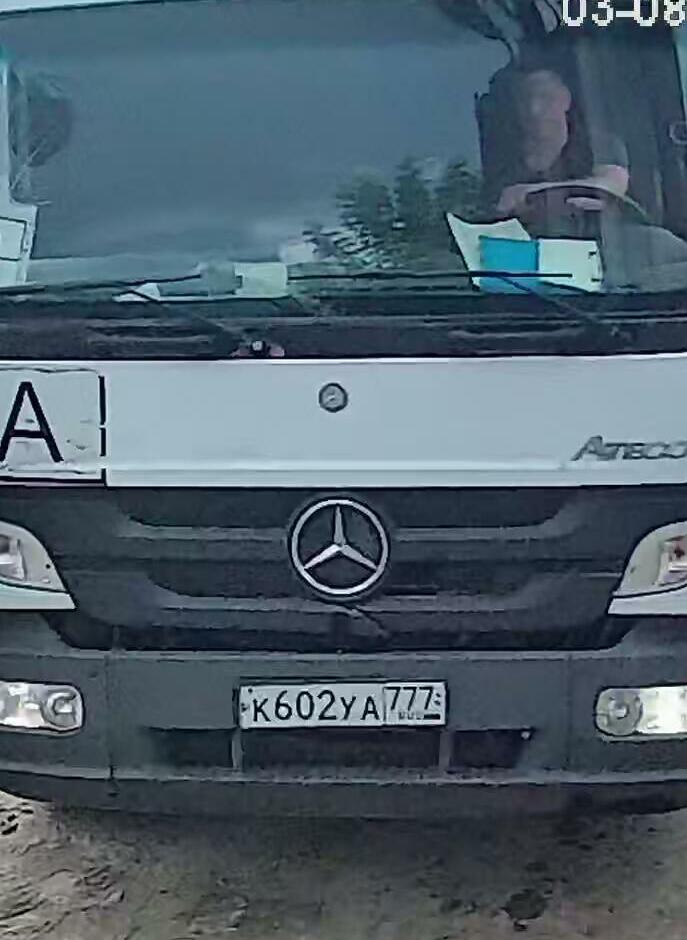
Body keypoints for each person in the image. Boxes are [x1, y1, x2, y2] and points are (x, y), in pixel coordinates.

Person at [494, 66, 629, 224]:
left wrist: (529, 194)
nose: (534, 110)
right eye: (525, 100)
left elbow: (611, 189)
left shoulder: (600, 146)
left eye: (545, 98)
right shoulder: (505, 157)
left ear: (566, 100)